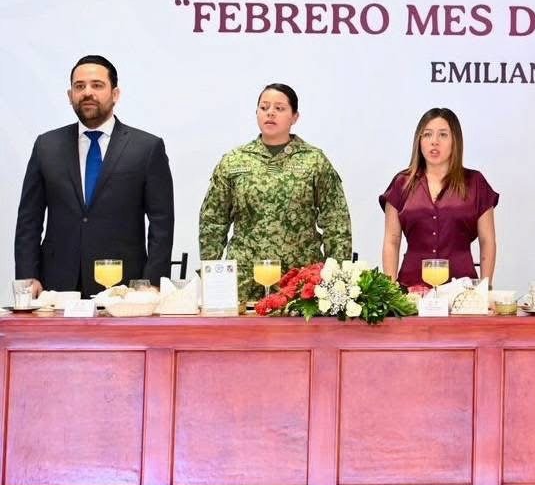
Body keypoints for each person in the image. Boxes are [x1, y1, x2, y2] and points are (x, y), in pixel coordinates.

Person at [14, 55, 174, 296]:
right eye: (79, 86)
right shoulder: (46, 146)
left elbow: (162, 222)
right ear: (70, 96)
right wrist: (28, 275)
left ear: (115, 94)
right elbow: (29, 218)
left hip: (124, 287)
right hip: (56, 284)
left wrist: (152, 281)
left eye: (97, 85)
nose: (87, 92)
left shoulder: (147, 148)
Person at [198, 83, 353, 302]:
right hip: (244, 278)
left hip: (299, 279)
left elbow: (337, 222)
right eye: (264, 107)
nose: (270, 113)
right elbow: (213, 221)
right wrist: (212, 276)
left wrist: (336, 280)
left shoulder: (314, 161)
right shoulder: (234, 161)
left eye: (279, 108)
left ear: (295, 117)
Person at [379, 108, 499, 291]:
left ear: (455, 141)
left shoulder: (476, 183)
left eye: (443, 135)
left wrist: (485, 288)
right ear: (419, 140)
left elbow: (487, 240)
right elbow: (392, 240)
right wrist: (390, 291)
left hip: (463, 292)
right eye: (427, 134)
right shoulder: (401, 183)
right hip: (411, 290)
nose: (434, 141)